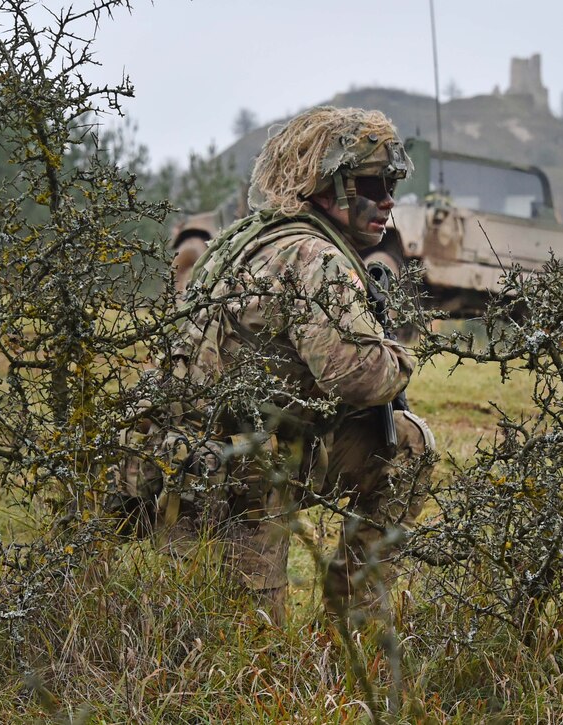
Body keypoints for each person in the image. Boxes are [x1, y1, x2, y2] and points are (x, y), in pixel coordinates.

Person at [167, 106, 434, 623]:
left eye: (391, 186)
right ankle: (353, 618)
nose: (386, 201)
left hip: (200, 457)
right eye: (371, 185)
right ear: (327, 186)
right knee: (249, 652)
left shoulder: (245, 240)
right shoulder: (315, 257)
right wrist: (400, 357)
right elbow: (358, 374)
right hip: (240, 471)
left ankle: (349, 618)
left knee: (407, 440)